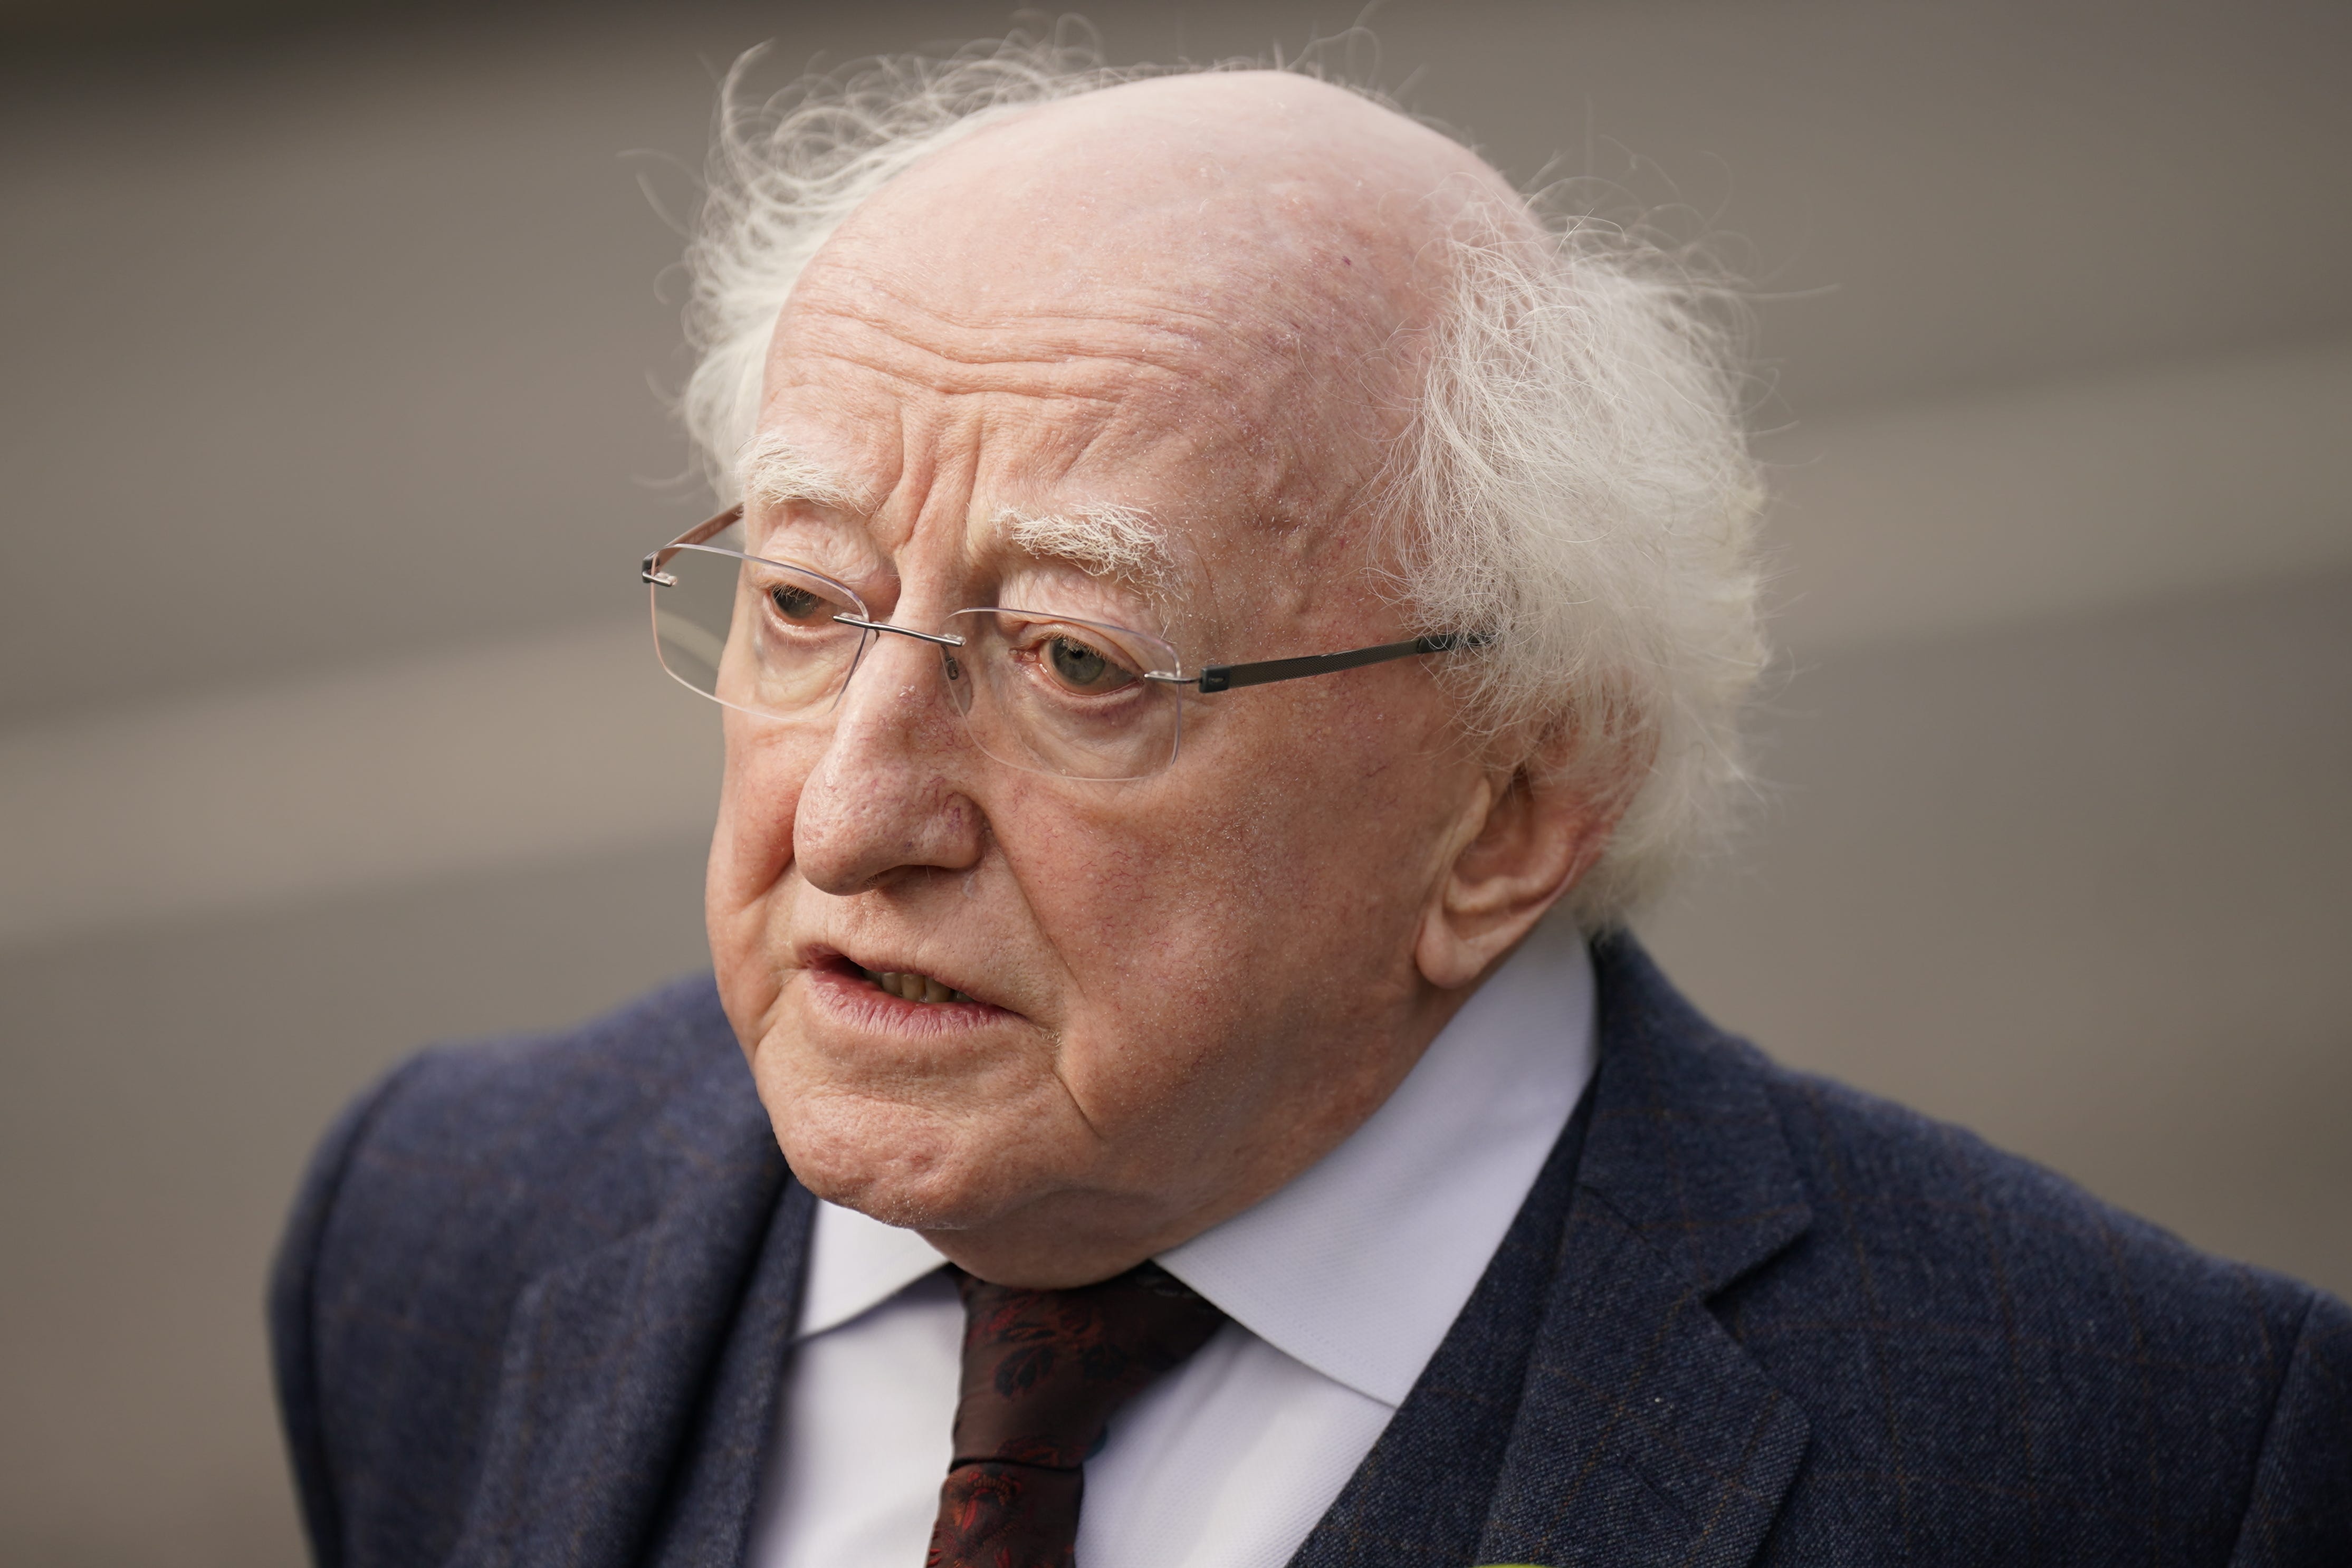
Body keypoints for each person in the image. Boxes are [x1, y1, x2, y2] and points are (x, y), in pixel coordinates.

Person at [269, 40, 2350, 1568]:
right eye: (804, 601)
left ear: (1508, 809)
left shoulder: (2145, 1460)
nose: (849, 813)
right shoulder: (447, 1221)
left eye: (1077, 660)